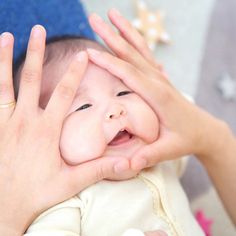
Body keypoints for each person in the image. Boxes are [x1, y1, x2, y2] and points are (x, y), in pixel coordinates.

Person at [0, 9, 235, 236]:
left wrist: (158, 89)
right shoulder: (62, 205)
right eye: (83, 106)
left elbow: (181, 116)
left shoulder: (160, 157)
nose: (115, 109)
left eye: (124, 93)